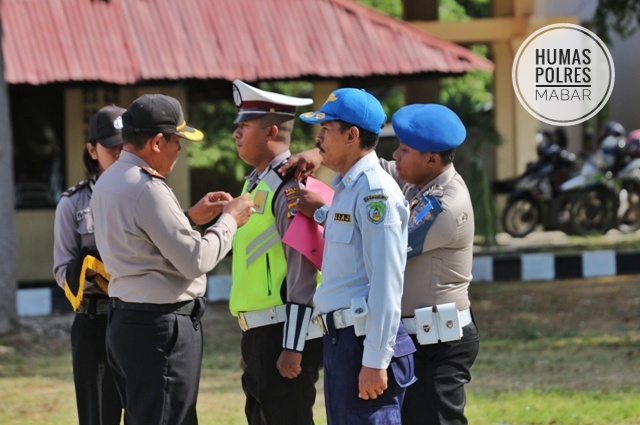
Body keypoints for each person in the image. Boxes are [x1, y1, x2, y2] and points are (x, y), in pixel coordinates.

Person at [285, 103, 480, 425]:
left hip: (439, 341)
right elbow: (360, 159)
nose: (396, 157)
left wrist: (323, 213)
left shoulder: (444, 205)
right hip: (411, 332)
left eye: (405, 150)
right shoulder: (413, 178)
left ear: (432, 159)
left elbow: (378, 248)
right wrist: (320, 152)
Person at [90, 93, 254, 425]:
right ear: (157, 141)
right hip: (160, 328)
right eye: (177, 140)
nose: (180, 148)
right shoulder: (147, 188)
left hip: (127, 321)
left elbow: (141, 239)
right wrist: (229, 221)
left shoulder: (110, 180)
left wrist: (188, 218)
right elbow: (196, 260)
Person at [297, 88, 416, 425]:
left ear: (351, 135)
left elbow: (386, 283)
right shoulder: (348, 188)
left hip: (363, 342)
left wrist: (376, 360)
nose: (318, 137)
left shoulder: (374, 192)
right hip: (342, 341)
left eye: (326, 129)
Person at [229, 80, 324, 425]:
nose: (236, 133)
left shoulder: (289, 188)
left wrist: (293, 345)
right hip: (261, 333)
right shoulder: (256, 183)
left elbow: (303, 271)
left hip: (283, 332)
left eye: (244, 126)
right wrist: (250, 339)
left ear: (271, 131)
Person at [53, 104, 126, 425]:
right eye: (113, 148)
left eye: (128, 146)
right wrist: (91, 274)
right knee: (98, 416)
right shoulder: (74, 203)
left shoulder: (149, 195)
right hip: (95, 321)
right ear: (92, 150)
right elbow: (61, 270)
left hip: (138, 320)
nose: (122, 154)